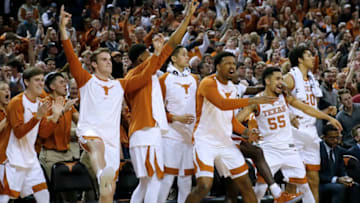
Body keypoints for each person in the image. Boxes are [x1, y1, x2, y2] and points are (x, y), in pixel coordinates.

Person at [60, 5, 169, 203]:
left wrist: (157, 52)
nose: (108, 62)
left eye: (109, 59)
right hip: (91, 132)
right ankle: (102, 174)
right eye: (103, 60)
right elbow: (71, 57)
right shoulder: (86, 80)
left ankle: (105, 178)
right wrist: (63, 31)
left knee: (108, 193)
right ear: (94, 64)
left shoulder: (120, 84)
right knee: (96, 146)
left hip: (112, 141)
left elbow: (146, 75)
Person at [125, 2, 199, 203]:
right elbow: (170, 46)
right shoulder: (140, 74)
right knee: (157, 180)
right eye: (149, 54)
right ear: (142, 58)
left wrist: (186, 19)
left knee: (146, 183)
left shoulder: (149, 74)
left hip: (154, 131)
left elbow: (171, 45)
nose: (154, 56)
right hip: (147, 131)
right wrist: (159, 52)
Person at [237, 67, 343, 203]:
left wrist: (328, 118)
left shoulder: (284, 97)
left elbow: (306, 108)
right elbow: (238, 119)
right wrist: (245, 132)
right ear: (267, 81)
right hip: (270, 149)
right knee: (261, 188)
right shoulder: (257, 101)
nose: (281, 82)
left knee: (304, 186)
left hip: (289, 149)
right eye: (277, 79)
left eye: (282, 78)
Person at [185, 52, 278, 203]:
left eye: (234, 63)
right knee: (204, 185)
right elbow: (222, 104)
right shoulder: (207, 83)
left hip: (225, 142)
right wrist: (252, 101)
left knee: (246, 184)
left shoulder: (233, 88)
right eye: (228, 63)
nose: (232, 66)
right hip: (205, 141)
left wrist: (246, 132)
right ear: (218, 66)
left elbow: (230, 119)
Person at [0, 68, 63, 203]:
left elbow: (43, 133)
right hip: (11, 158)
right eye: (36, 80)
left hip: (30, 157)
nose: (40, 83)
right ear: (26, 82)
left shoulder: (41, 103)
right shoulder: (17, 102)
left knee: (44, 195)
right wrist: (37, 117)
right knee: (4, 198)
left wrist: (55, 117)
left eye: (42, 80)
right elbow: (18, 133)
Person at [158, 46, 198, 203]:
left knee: (186, 178)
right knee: (167, 177)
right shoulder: (164, 79)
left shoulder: (195, 79)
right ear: (173, 59)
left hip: (189, 135)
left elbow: (198, 107)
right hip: (170, 134)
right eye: (183, 55)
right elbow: (158, 110)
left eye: (187, 55)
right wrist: (175, 118)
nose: (187, 57)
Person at [284, 45, 324, 202]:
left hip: (310, 132)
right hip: (294, 133)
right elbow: (275, 96)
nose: (312, 58)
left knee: (314, 179)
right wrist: (289, 114)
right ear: (300, 59)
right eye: (308, 55)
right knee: (293, 180)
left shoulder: (312, 79)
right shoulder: (290, 77)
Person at [38, 72, 79, 202]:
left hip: (67, 154)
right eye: (61, 82)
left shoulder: (68, 103)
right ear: (52, 86)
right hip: (51, 155)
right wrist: (62, 111)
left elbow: (81, 122)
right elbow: (43, 130)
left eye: (65, 82)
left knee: (72, 195)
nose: (65, 85)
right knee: (56, 195)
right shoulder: (45, 104)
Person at [319, 123, 360, 203]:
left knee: (355, 186)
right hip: (321, 183)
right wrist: (337, 179)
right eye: (332, 138)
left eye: (337, 138)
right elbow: (317, 174)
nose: (335, 141)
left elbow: (342, 168)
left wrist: (346, 178)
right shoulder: (318, 150)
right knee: (339, 188)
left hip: (335, 181)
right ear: (324, 137)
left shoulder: (338, 149)